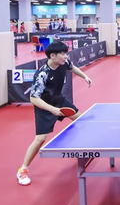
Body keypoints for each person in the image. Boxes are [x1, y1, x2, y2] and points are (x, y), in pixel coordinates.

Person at [17, 42, 92, 186]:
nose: (66, 56)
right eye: (63, 54)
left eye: (66, 53)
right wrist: (52, 109)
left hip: (58, 100)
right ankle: (23, 170)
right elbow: (33, 98)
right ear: (52, 56)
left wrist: (84, 76)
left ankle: (84, 151)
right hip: (44, 105)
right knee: (40, 139)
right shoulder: (42, 73)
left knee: (81, 120)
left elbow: (72, 67)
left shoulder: (64, 62)